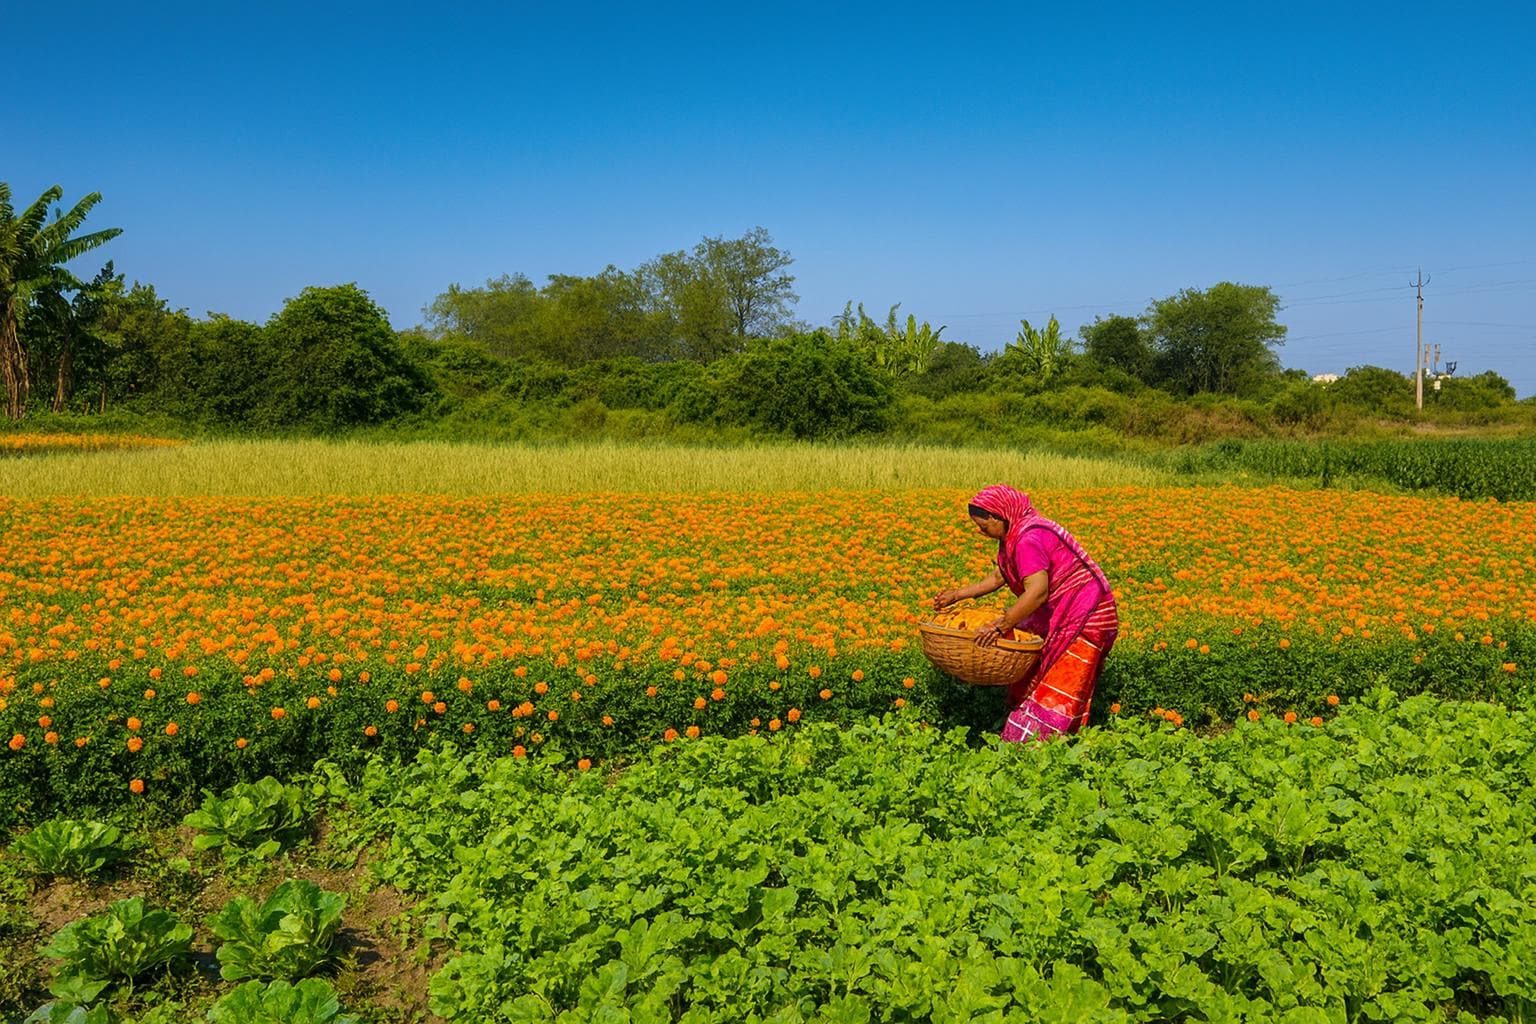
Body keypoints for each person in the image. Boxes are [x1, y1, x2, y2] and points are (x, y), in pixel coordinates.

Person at [932, 484, 1118, 742]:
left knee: (1058, 684)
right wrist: (957, 595)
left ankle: (1038, 746)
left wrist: (1001, 625)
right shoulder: (1016, 534)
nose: (980, 532)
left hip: (1085, 614)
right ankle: (1027, 740)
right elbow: (1000, 575)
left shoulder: (1028, 538)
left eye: (983, 526)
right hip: (1061, 611)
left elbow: (1037, 592)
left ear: (999, 516)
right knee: (1032, 675)